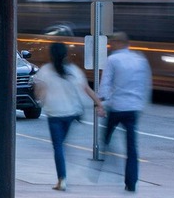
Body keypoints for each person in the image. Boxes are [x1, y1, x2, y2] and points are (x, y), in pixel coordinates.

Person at [33, 42, 102, 191]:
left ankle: (62, 179)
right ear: (65, 54)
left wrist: (41, 99)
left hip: (54, 114)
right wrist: (99, 104)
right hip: (70, 114)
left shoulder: (45, 71)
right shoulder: (74, 71)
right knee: (61, 145)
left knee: (58, 146)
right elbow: (87, 89)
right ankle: (62, 174)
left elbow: (40, 93)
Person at [99, 32, 152, 193]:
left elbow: (106, 83)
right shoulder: (140, 60)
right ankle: (131, 182)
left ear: (119, 43)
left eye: (112, 42)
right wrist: (141, 105)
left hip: (116, 107)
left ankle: (104, 161)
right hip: (133, 109)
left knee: (106, 136)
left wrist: (100, 104)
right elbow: (145, 84)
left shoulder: (113, 59)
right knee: (132, 148)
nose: (110, 45)